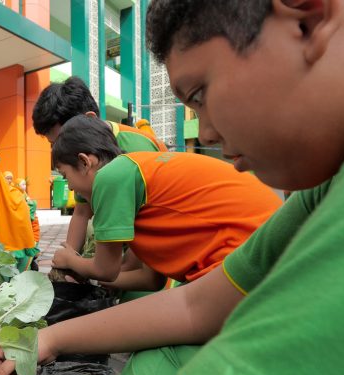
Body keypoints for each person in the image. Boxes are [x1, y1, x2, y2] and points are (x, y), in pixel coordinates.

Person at [0, 0, 344, 375]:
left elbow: (124, 273)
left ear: (307, 16)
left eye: (200, 92)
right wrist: (45, 341)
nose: (209, 131)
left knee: (151, 367)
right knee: (149, 365)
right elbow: (196, 305)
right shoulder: (325, 190)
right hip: (200, 284)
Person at [51, 115, 282, 304]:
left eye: (65, 176)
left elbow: (105, 269)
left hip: (250, 253)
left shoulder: (110, 178)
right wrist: (90, 279)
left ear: (84, 162)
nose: (70, 187)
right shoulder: (138, 178)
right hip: (269, 245)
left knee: (152, 355)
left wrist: (70, 260)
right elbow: (151, 279)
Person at [33, 76, 168, 263]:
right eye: (53, 144)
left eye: (60, 141)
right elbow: (81, 212)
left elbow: (154, 231)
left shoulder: (140, 147)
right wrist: (68, 260)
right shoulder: (82, 165)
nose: (59, 150)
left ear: (89, 119)